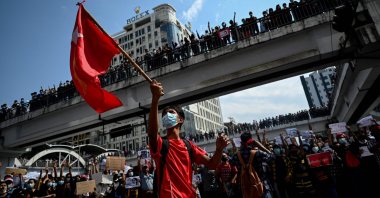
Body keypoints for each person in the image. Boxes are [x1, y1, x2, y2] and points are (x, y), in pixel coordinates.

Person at [148, 80, 230, 198]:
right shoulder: (161, 144)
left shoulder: (189, 146)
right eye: (164, 114)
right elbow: (151, 134)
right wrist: (155, 99)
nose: (167, 115)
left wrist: (219, 149)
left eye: (171, 112)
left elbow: (211, 164)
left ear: (181, 119)